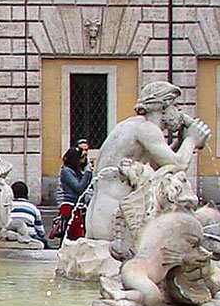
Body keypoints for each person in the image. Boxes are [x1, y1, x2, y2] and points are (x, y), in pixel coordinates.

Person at [85, 81, 211, 242]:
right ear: (164, 107)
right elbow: (178, 165)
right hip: (115, 215)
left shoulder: (131, 125)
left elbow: (162, 165)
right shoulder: (147, 129)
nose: (179, 112)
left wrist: (181, 140)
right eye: (176, 106)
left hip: (99, 213)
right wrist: (192, 140)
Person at [54, 146, 93, 244]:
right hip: (69, 206)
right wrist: (87, 173)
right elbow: (79, 188)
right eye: (82, 157)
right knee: (69, 235)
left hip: (78, 206)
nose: (84, 160)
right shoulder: (66, 171)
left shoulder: (78, 171)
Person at [9, 181, 49, 248]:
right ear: (27, 193)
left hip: (11, 236)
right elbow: (41, 231)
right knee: (45, 243)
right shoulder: (33, 207)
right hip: (30, 236)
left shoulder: (8, 206)